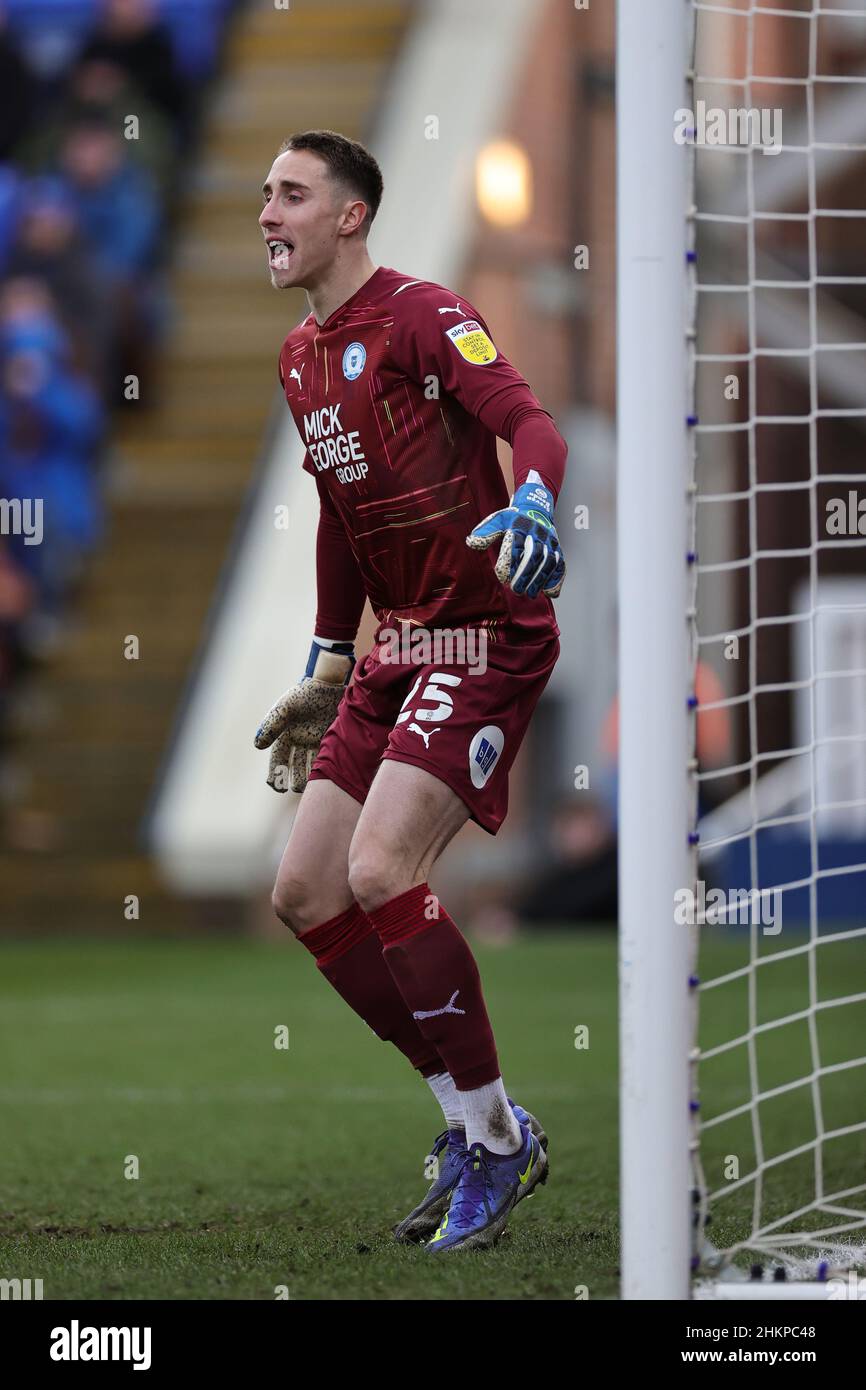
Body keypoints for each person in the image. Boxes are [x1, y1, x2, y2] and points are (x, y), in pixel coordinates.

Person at [255, 130, 567, 1253]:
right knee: (304, 890)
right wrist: (326, 658)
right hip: (396, 649)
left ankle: (493, 1145)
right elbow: (344, 515)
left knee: (381, 867)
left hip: (484, 634)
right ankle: (473, 1124)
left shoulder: (422, 313)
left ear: (350, 215)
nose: (265, 213)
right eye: (262, 195)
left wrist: (532, 502)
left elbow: (530, 422)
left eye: (289, 194)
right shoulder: (301, 359)